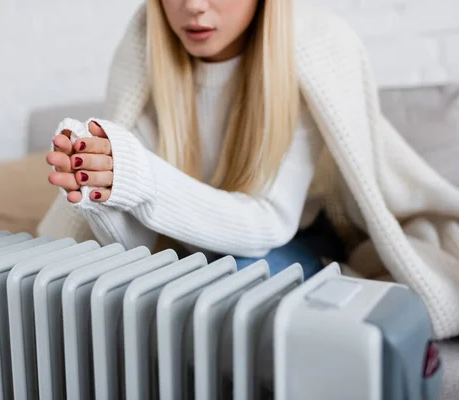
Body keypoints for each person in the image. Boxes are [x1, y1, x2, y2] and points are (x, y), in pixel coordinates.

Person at [42, 0, 459, 339]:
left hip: (292, 235)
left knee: (231, 292)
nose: (193, 7)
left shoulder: (309, 52)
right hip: (188, 241)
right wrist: (104, 195)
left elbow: (270, 222)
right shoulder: (146, 60)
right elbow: (142, 242)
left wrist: (142, 176)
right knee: (121, 291)